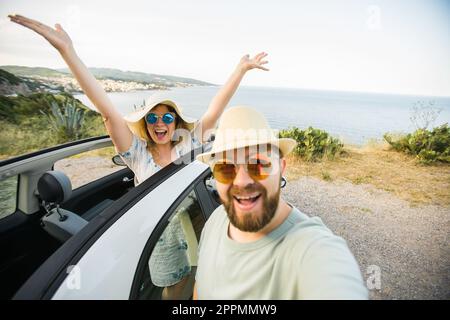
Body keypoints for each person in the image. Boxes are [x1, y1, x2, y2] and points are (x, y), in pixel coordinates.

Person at [8, 14, 269, 299]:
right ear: (145, 124)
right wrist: (67, 51)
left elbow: (215, 110)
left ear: (176, 122)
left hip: (188, 218)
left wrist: (240, 70)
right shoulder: (138, 155)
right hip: (159, 235)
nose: (160, 123)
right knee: (173, 286)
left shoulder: (187, 144)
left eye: (167, 117)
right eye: (153, 118)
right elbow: (107, 110)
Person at [194, 106, 369, 299]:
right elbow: (199, 288)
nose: (242, 181)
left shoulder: (314, 251)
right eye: (225, 168)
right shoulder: (215, 221)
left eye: (258, 164)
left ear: (282, 167)